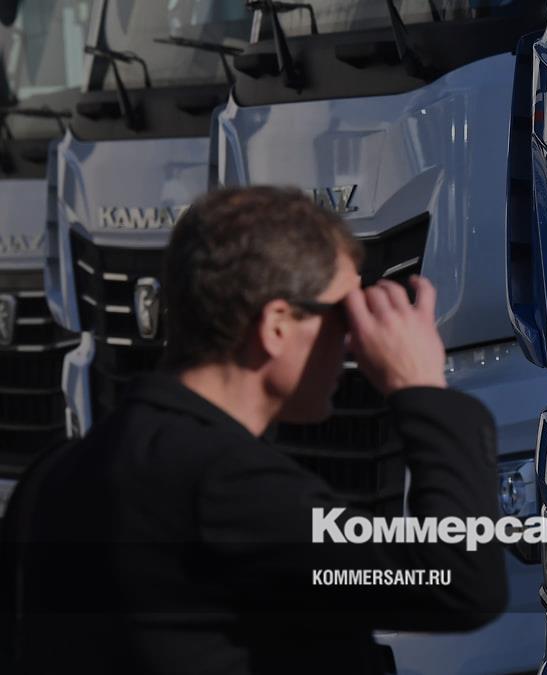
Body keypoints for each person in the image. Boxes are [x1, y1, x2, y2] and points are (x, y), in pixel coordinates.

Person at [0, 187, 506, 674]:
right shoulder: (226, 489)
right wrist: (422, 388)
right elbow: (456, 581)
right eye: (344, 316)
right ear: (277, 325)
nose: (355, 343)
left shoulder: (50, 479)